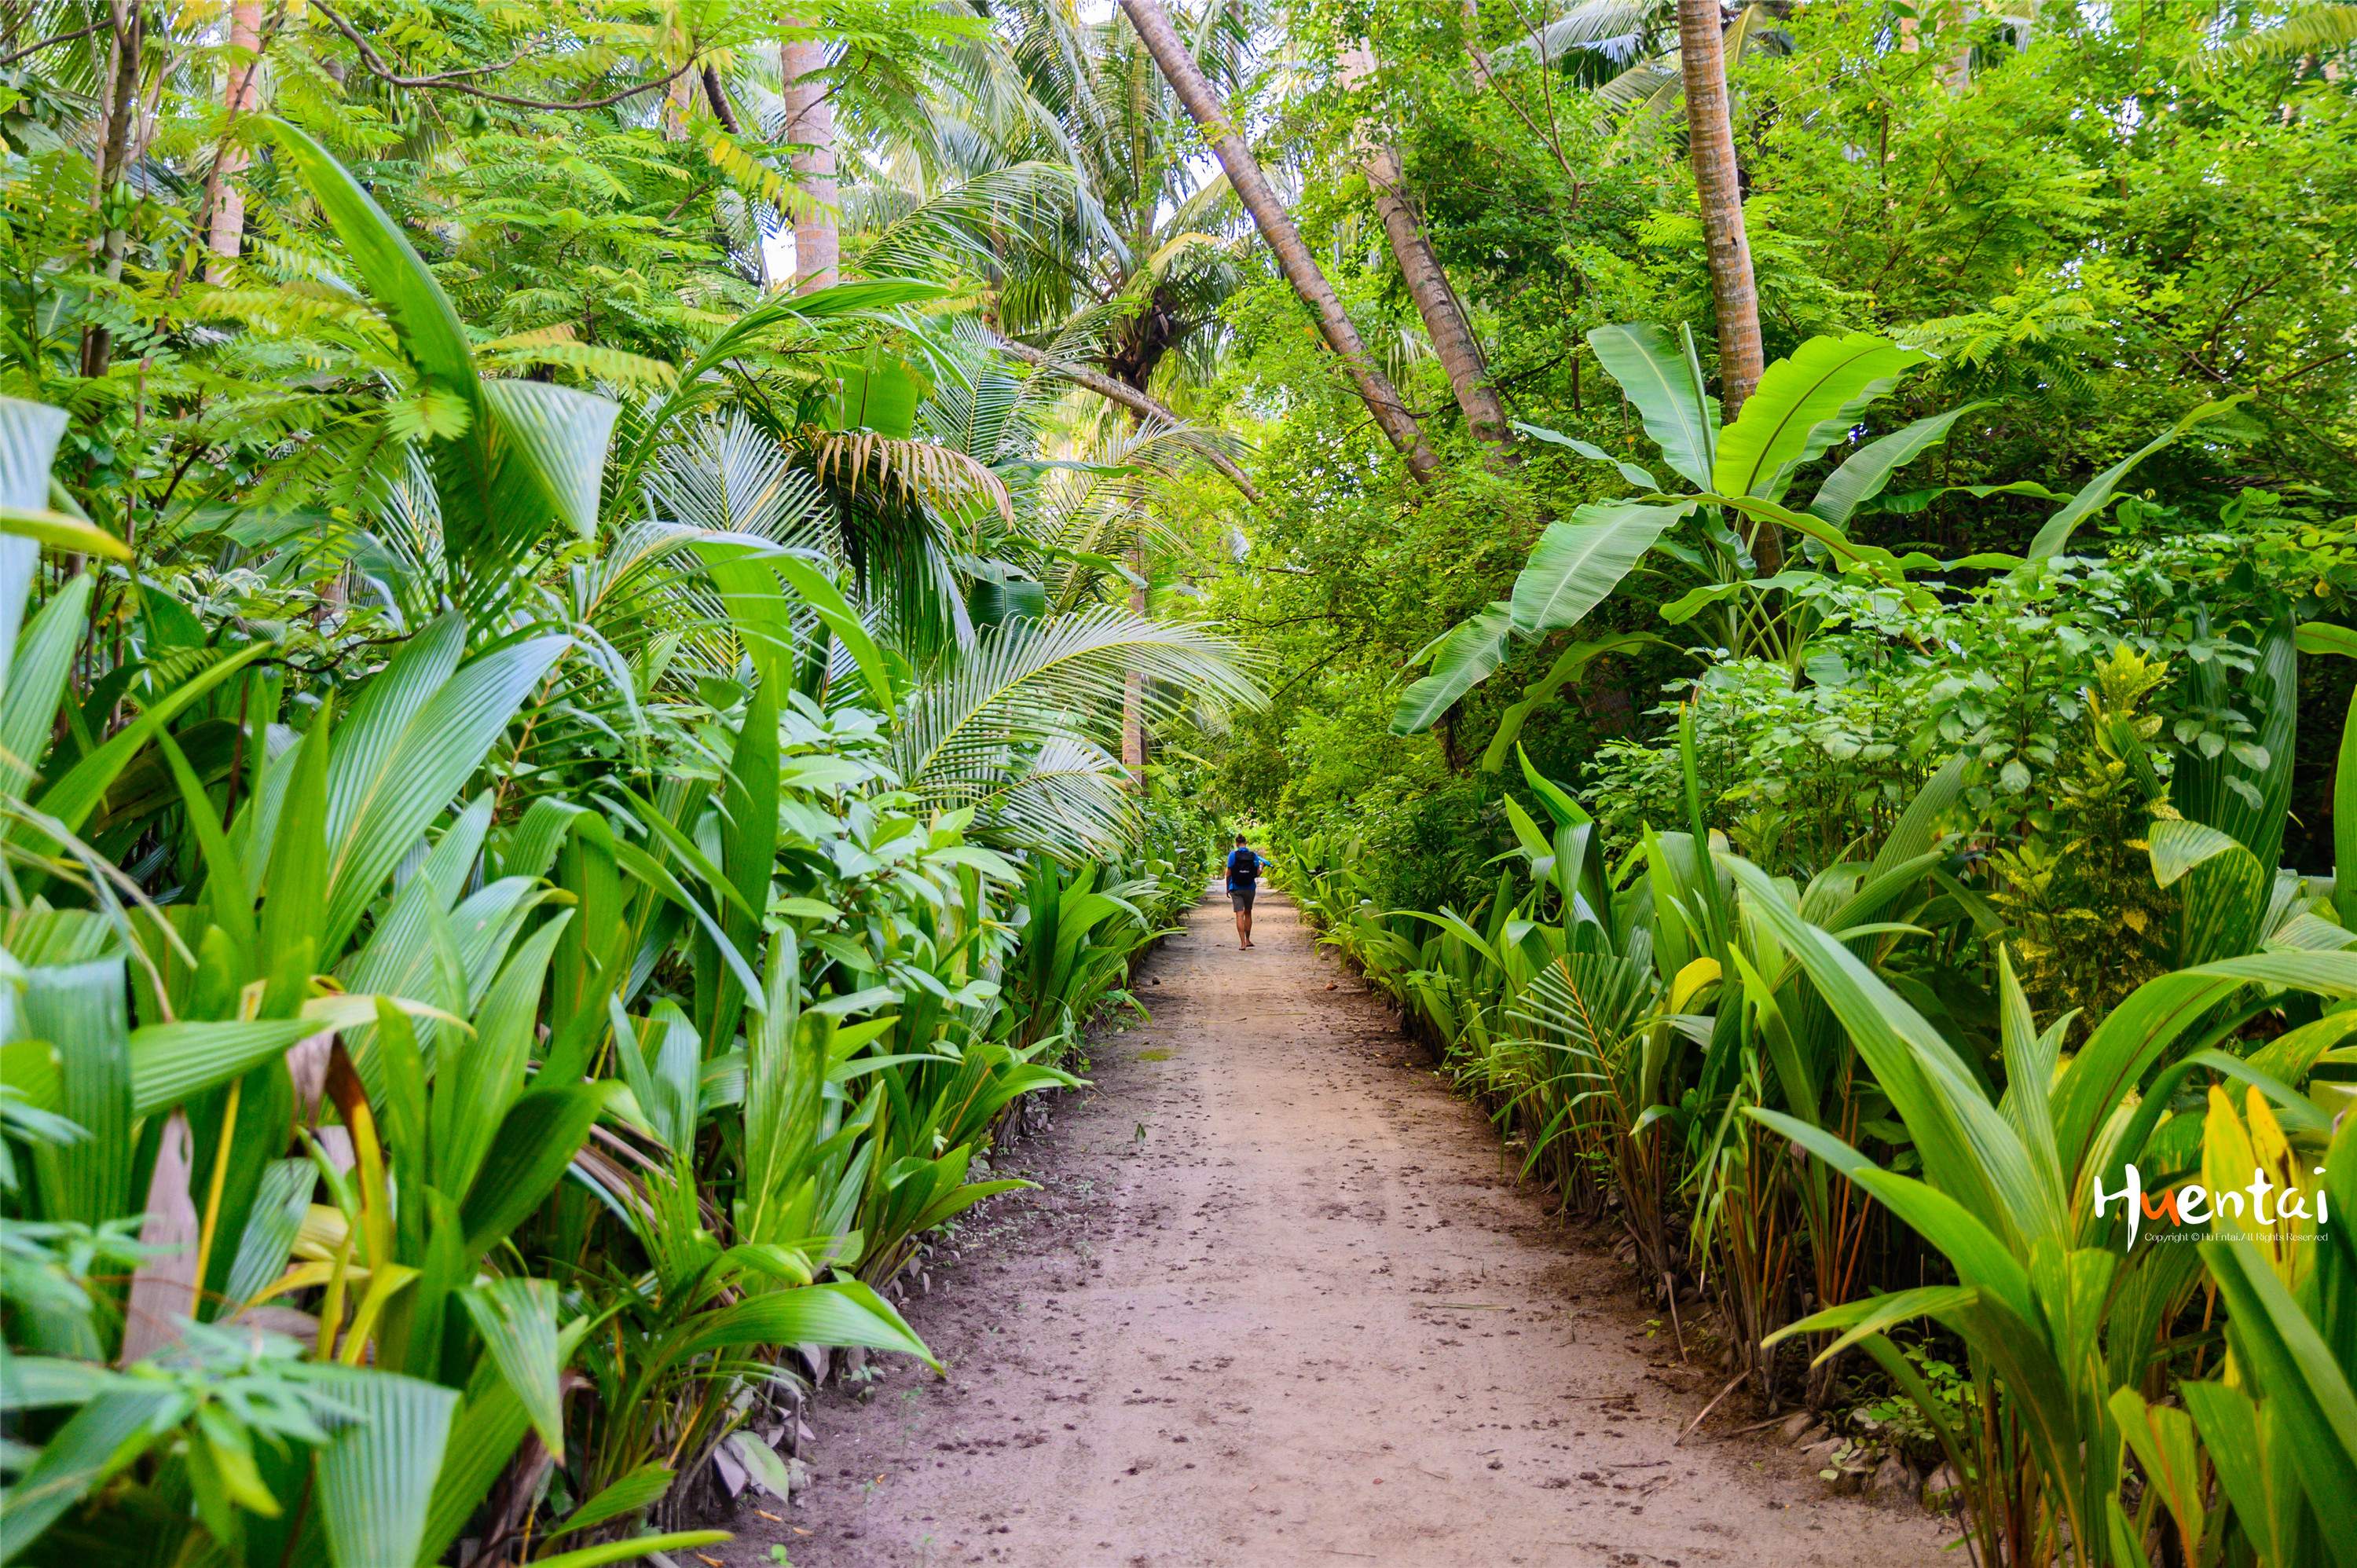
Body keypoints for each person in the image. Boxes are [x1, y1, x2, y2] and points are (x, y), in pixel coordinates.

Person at [1224, 832, 1262, 950]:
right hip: (1250, 888)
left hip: (1236, 888)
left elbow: (1228, 874)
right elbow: (1257, 873)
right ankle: (1248, 939)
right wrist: (1262, 867)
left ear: (1236, 843)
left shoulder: (1232, 855)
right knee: (1248, 913)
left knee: (1239, 915)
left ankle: (1242, 944)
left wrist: (1228, 888)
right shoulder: (1253, 855)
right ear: (1246, 842)